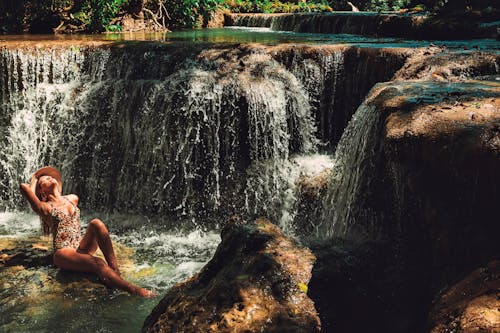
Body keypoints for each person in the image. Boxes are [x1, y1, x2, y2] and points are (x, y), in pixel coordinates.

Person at [19, 166, 155, 298]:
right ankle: (134, 290)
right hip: (63, 252)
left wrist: (42, 178)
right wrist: (36, 176)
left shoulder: (72, 198)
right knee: (99, 263)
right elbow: (23, 187)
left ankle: (115, 273)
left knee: (97, 223)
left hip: (80, 248)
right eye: (45, 180)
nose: (50, 178)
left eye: (50, 177)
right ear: (42, 192)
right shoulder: (45, 208)